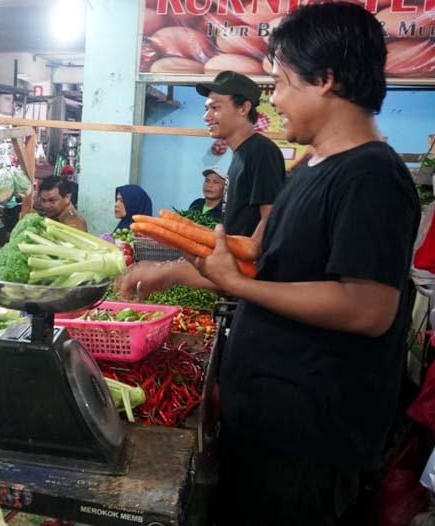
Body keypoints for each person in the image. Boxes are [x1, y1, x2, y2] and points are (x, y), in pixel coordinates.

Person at [118, 4, 420, 524]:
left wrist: (240, 285)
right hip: (268, 423)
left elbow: (368, 309)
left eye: (279, 83)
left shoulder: (371, 176)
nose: (273, 102)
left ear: (326, 80)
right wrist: (177, 268)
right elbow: (262, 261)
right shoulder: (311, 166)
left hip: (310, 441)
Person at [197, 70, 285, 238]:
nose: (206, 117)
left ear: (244, 108)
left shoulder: (261, 151)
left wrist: (250, 254)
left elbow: (270, 217)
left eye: (215, 108)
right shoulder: (241, 153)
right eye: (206, 108)